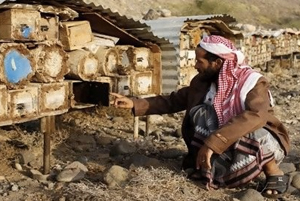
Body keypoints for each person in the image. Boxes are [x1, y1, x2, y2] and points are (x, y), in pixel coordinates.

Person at [110, 35, 290, 199]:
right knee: (201, 112)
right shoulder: (202, 82)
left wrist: (214, 141)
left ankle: (273, 171)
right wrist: (135, 103)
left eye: (199, 61)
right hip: (222, 142)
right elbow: (174, 100)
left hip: (260, 141)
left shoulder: (254, 82)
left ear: (217, 62)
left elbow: (256, 116)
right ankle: (215, 168)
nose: (195, 65)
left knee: (254, 128)